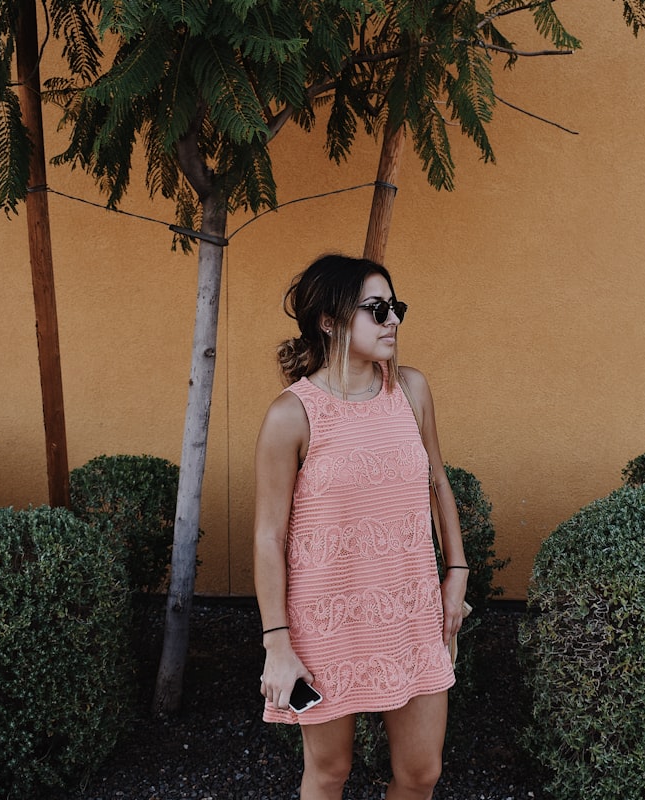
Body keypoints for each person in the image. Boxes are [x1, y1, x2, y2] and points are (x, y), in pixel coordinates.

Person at [253, 253, 469, 800]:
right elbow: (268, 537)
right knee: (330, 772)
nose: (393, 319)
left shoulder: (411, 390)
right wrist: (277, 642)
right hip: (326, 623)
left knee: (422, 773)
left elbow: (438, 482)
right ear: (329, 319)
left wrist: (457, 571)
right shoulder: (292, 415)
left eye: (395, 307)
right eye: (377, 309)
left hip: (410, 612)